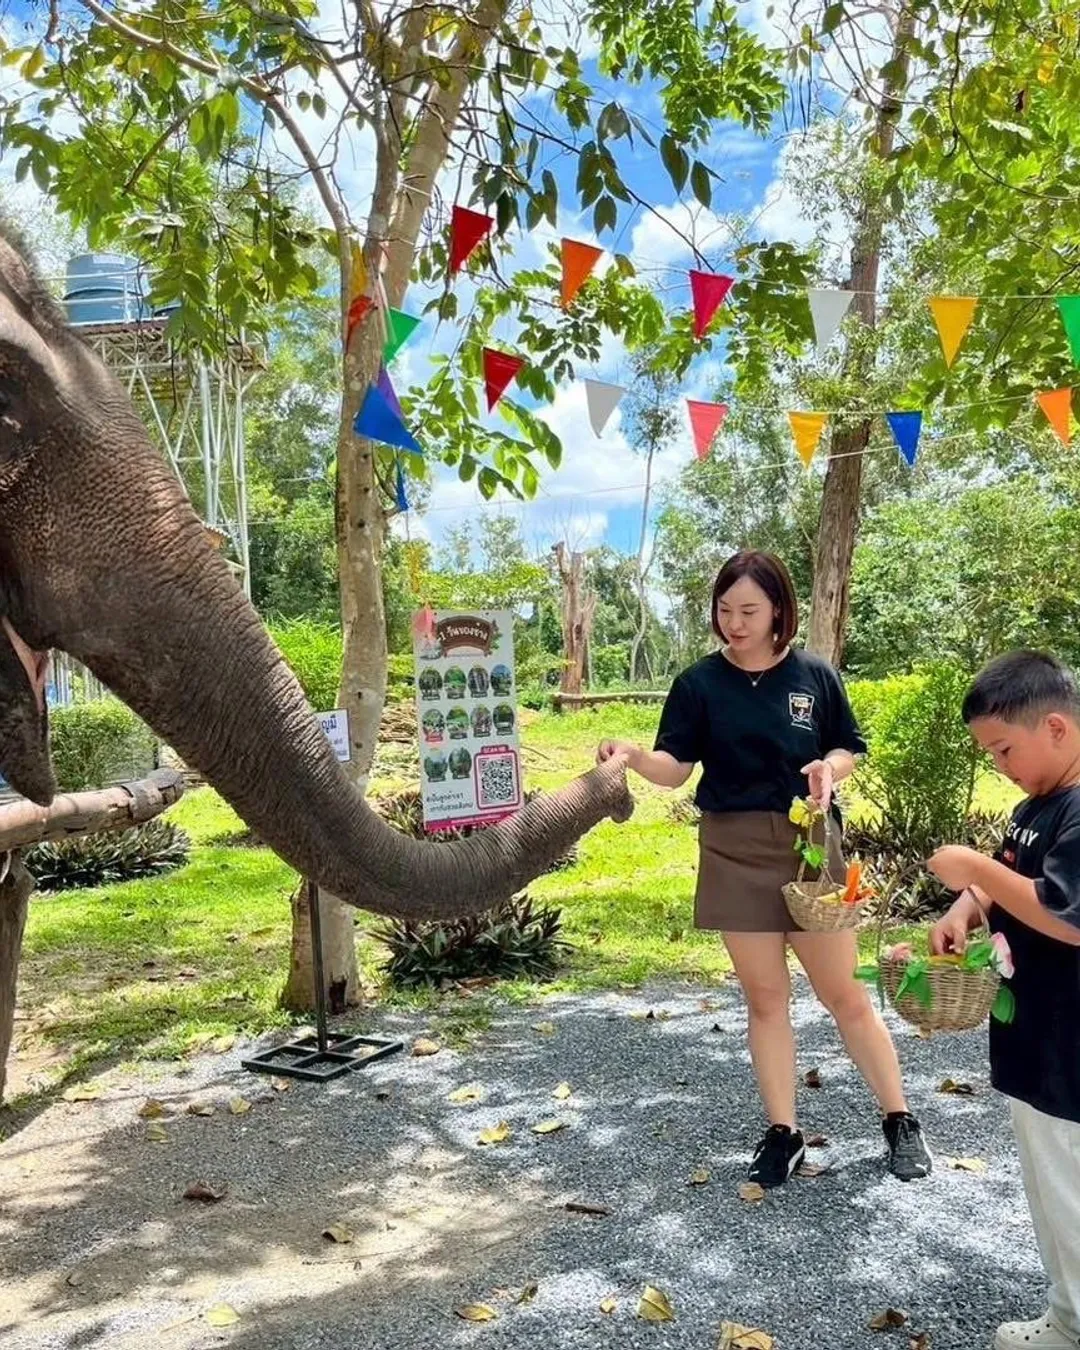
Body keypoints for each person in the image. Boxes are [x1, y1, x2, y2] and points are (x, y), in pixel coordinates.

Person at [597, 549, 932, 1186]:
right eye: (725, 610)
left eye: (749, 610)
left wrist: (829, 769)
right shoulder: (698, 683)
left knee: (845, 996)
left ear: (779, 608)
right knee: (765, 999)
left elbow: (846, 746)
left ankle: (900, 1120)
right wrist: (636, 755)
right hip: (731, 844)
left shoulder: (814, 674)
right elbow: (675, 768)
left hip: (810, 847)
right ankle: (784, 1132)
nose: (735, 623)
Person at [929, 651, 1080, 1350]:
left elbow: (1066, 917)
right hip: (1033, 1040)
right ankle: (1064, 1310)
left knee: (1068, 1189)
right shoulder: (1035, 805)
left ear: (1054, 726)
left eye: (1003, 749)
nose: (1000, 766)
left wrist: (977, 868)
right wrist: (967, 904)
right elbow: (1008, 876)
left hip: (1069, 1048)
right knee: (1048, 1186)